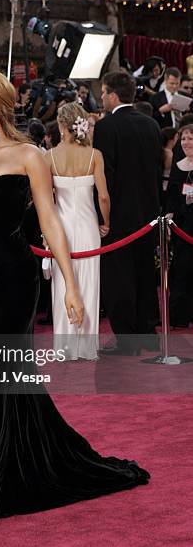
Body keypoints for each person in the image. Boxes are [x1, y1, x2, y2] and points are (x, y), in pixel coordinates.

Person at [0, 67, 150, 531]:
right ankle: (30, 459)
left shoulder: (29, 156)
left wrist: (73, 286)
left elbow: (51, 221)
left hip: (15, 281)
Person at [93, 71, 162, 355]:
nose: (101, 97)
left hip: (119, 218)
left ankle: (127, 340)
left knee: (119, 278)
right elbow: (156, 172)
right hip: (148, 215)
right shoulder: (151, 124)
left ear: (112, 94)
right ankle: (148, 334)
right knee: (146, 274)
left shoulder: (106, 127)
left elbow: (104, 177)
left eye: (103, 92)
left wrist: (102, 218)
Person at [47, 102, 110, 360]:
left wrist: (46, 232)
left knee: (63, 283)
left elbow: (46, 200)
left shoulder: (48, 156)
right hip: (87, 226)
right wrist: (106, 223)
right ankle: (86, 347)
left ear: (62, 126)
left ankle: (65, 348)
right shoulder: (95, 155)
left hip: (59, 227)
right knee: (88, 284)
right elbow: (103, 197)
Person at [165, 124, 193, 328]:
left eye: (191, 138)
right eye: (183, 138)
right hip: (182, 226)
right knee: (181, 269)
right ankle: (180, 316)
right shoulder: (178, 165)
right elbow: (172, 198)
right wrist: (168, 217)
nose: (186, 142)